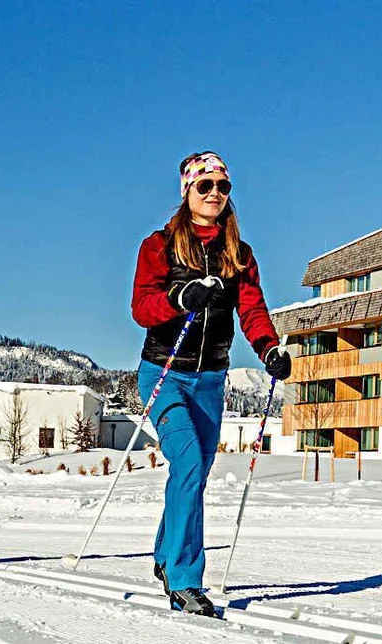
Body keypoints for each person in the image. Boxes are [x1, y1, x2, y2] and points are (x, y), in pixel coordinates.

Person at [130, 151, 291, 616]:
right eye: (206, 187)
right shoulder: (158, 246)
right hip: (163, 372)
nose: (215, 194)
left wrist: (269, 350)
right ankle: (184, 580)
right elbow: (142, 307)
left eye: (223, 187)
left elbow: (253, 310)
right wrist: (182, 296)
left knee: (191, 475)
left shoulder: (238, 254)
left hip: (210, 379)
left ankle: (165, 556)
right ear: (187, 192)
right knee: (188, 464)